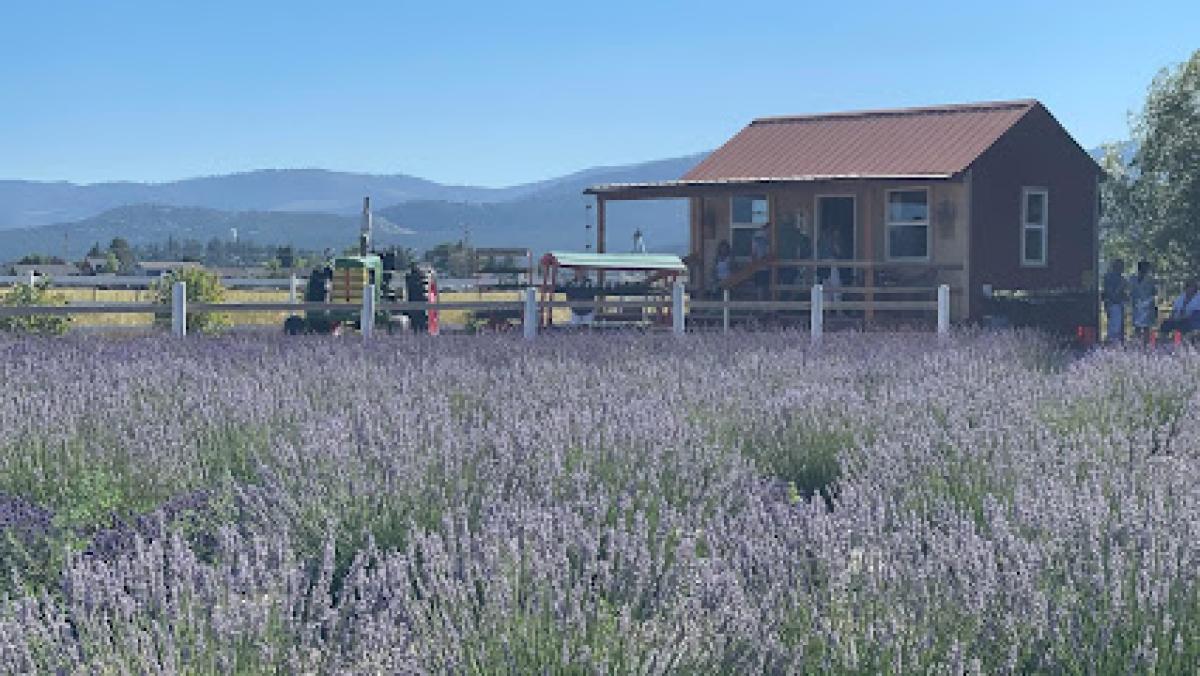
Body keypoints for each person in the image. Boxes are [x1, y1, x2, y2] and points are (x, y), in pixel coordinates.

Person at [1128, 261, 1158, 342]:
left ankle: (1146, 345)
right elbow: (1130, 292)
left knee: (1146, 328)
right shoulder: (1132, 279)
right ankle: (1136, 344)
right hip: (1137, 306)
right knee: (1137, 327)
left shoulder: (1151, 280)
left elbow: (1155, 293)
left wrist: (1149, 302)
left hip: (1147, 307)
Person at [1102, 259, 1127, 344]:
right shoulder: (1110, 278)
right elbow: (1111, 293)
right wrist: (1121, 286)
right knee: (1114, 328)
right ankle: (1112, 345)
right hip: (1114, 305)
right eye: (1121, 266)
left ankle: (1118, 344)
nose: (1123, 269)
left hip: (1118, 305)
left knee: (1119, 327)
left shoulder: (1120, 278)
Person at [751, 223, 771, 300]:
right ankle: (762, 307)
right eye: (769, 229)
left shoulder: (759, 237)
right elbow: (755, 253)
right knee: (761, 287)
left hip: (765, 266)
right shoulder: (760, 237)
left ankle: (764, 307)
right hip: (761, 266)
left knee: (764, 287)